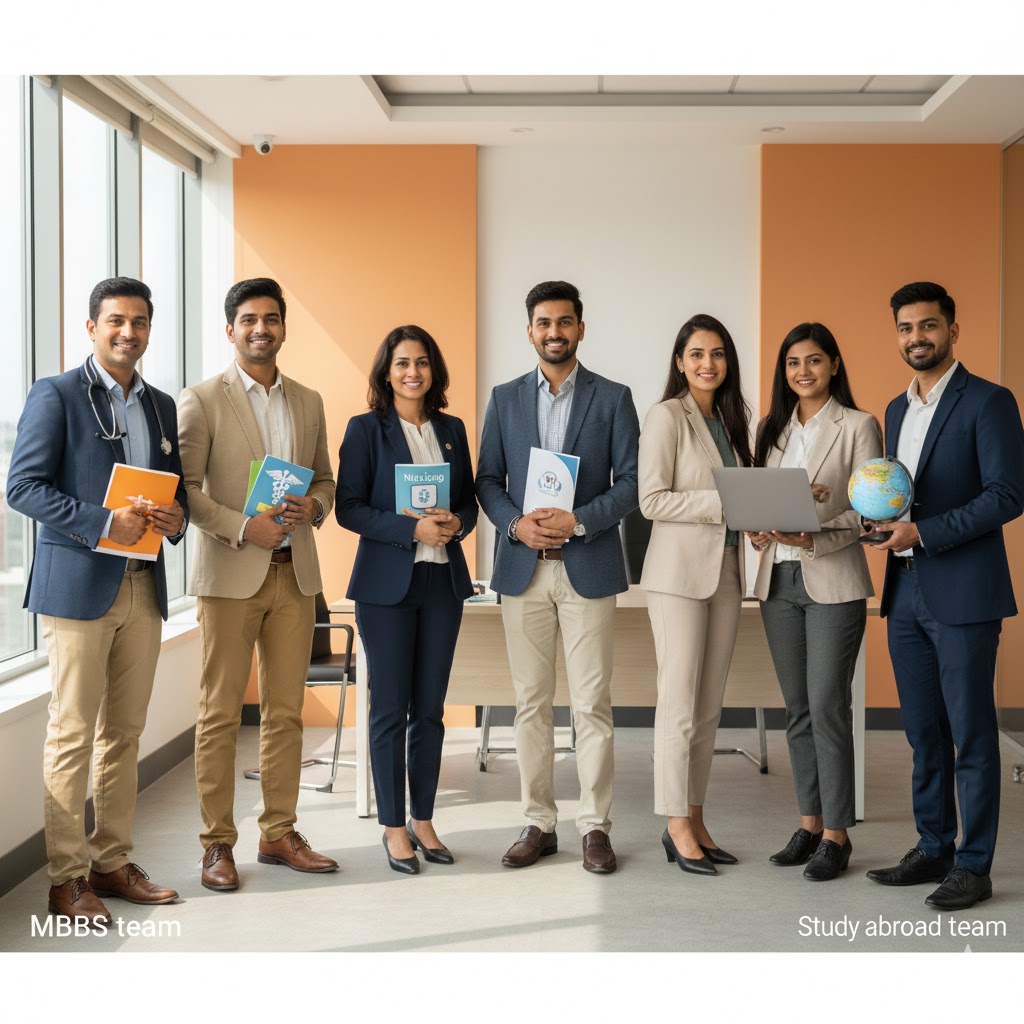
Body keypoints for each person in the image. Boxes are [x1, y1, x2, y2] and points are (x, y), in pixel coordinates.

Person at [7, 277, 187, 924]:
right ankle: (66, 879)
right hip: (77, 588)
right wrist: (101, 522)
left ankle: (112, 862)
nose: (128, 333)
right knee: (72, 734)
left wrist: (175, 520)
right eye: (116, 321)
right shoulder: (55, 395)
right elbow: (22, 488)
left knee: (124, 734)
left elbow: (175, 493)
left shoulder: (162, 406)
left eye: (139, 322)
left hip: (143, 586)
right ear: (91, 327)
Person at [865, 281, 1024, 910]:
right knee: (922, 732)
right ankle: (934, 845)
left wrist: (922, 533)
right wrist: (876, 522)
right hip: (904, 591)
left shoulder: (989, 402)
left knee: (971, 731)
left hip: (964, 593)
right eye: (906, 328)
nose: (916, 338)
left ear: (953, 331)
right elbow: (898, 492)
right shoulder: (895, 411)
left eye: (928, 326)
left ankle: (975, 864)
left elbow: (1007, 495)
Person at [178, 277, 338, 891]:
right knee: (219, 713)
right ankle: (217, 844)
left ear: (283, 327)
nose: (260, 329)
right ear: (230, 329)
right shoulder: (200, 399)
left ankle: (278, 832)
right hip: (229, 577)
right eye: (248, 320)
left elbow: (324, 479)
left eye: (270, 319)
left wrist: (312, 510)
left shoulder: (308, 400)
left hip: (295, 576)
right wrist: (246, 528)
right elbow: (187, 493)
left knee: (286, 712)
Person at [476, 280, 639, 874]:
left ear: (580, 328)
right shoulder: (505, 398)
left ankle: (595, 826)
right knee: (530, 703)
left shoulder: (613, 397)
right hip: (524, 571)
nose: (554, 332)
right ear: (529, 330)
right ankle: (538, 822)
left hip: (588, 566)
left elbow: (632, 482)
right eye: (544, 323)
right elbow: (487, 481)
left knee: (592, 703)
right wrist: (515, 525)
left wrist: (580, 521)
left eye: (564, 322)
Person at [336, 326, 477, 874]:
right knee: (391, 709)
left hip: (442, 583)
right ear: (386, 372)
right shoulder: (366, 429)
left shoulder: (451, 429)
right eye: (401, 363)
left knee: (432, 712)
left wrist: (455, 522)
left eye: (421, 362)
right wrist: (409, 529)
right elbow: (349, 507)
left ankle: (423, 819)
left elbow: (467, 500)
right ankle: (393, 826)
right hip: (385, 588)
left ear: (433, 371)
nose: (412, 372)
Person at [746, 322, 882, 881]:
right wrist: (755, 529)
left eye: (814, 361)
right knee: (797, 709)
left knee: (827, 706)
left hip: (831, 578)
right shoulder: (770, 429)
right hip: (777, 581)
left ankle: (837, 835)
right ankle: (808, 823)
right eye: (793, 363)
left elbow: (868, 508)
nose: (803, 371)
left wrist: (815, 534)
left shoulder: (859, 426)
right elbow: (756, 498)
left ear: (833, 366)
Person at [638, 314, 752, 876]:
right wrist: (722, 505)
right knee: (678, 703)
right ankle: (674, 823)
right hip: (678, 576)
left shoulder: (732, 421)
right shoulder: (667, 415)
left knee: (708, 707)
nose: (708, 364)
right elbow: (652, 500)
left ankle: (697, 816)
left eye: (718, 354)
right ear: (681, 361)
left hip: (727, 572)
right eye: (697, 354)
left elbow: (746, 491)